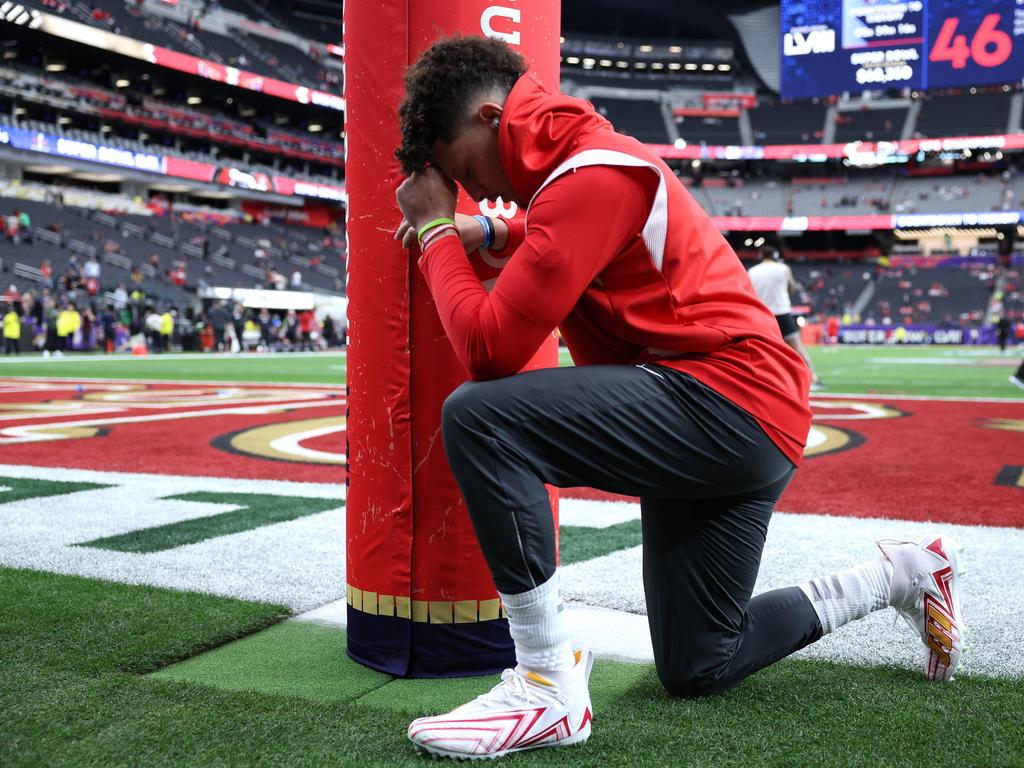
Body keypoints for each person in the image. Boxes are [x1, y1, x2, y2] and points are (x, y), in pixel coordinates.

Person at [391, 37, 965, 760]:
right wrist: (495, 228)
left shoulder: (587, 173)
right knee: (701, 663)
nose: (478, 190)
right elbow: (561, 228)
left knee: (482, 419)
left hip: (720, 401)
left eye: (466, 169)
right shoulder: (586, 163)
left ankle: (545, 684)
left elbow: (488, 348)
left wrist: (438, 230)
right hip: (745, 413)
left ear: (486, 114)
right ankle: (902, 572)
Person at [747, 245, 823, 390]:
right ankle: (812, 378)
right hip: (781, 312)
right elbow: (792, 288)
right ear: (775, 255)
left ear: (761, 255)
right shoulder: (783, 269)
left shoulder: (752, 271)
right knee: (797, 347)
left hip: (762, 314)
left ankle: (760, 380)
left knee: (761, 349)